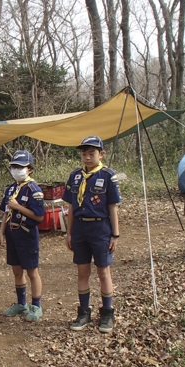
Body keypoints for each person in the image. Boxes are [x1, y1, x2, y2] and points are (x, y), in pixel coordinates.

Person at [62, 135, 121, 334]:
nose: (87, 157)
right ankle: (84, 312)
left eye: (91, 153)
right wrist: (68, 233)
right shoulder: (75, 176)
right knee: (82, 271)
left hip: (100, 229)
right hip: (79, 228)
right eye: (84, 154)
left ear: (101, 154)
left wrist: (115, 235)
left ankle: (107, 313)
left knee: (103, 272)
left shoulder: (107, 176)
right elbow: (70, 206)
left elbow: (112, 207)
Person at [0, 150, 45, 322]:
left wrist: (18, 206)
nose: (16, 170)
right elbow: (5, 212)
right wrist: (1, 233)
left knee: (32, 271)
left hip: (27, 235)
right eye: (13, 167)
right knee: (16, 270)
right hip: (12, 234)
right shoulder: (11, 188)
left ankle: (36, 306)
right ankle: (21, 303)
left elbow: (39, 216)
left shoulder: (34, 190)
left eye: (20, 167)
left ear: (30, 169)